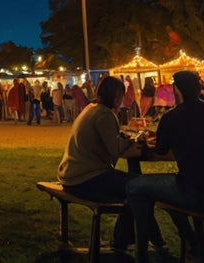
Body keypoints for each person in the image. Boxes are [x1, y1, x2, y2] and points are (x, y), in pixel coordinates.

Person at [125, 71, 204, 263]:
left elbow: (160, 150)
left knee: (135, 187)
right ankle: (191, 239)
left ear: (176, 90)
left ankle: (145, 252)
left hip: (196, 193)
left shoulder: (172, 117)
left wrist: (146, 143)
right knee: (166, 193)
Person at [58, 76, 168, 257]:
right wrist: (135, 140)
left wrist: (127, 140)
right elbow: (115, 150)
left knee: (134, 190)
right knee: (140, 188)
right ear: (116, 97)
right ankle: (153, 244)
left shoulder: (92, 108)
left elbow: (111, 143)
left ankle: (125, 241)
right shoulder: (104, 114)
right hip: (86, 177)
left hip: (73, 174)